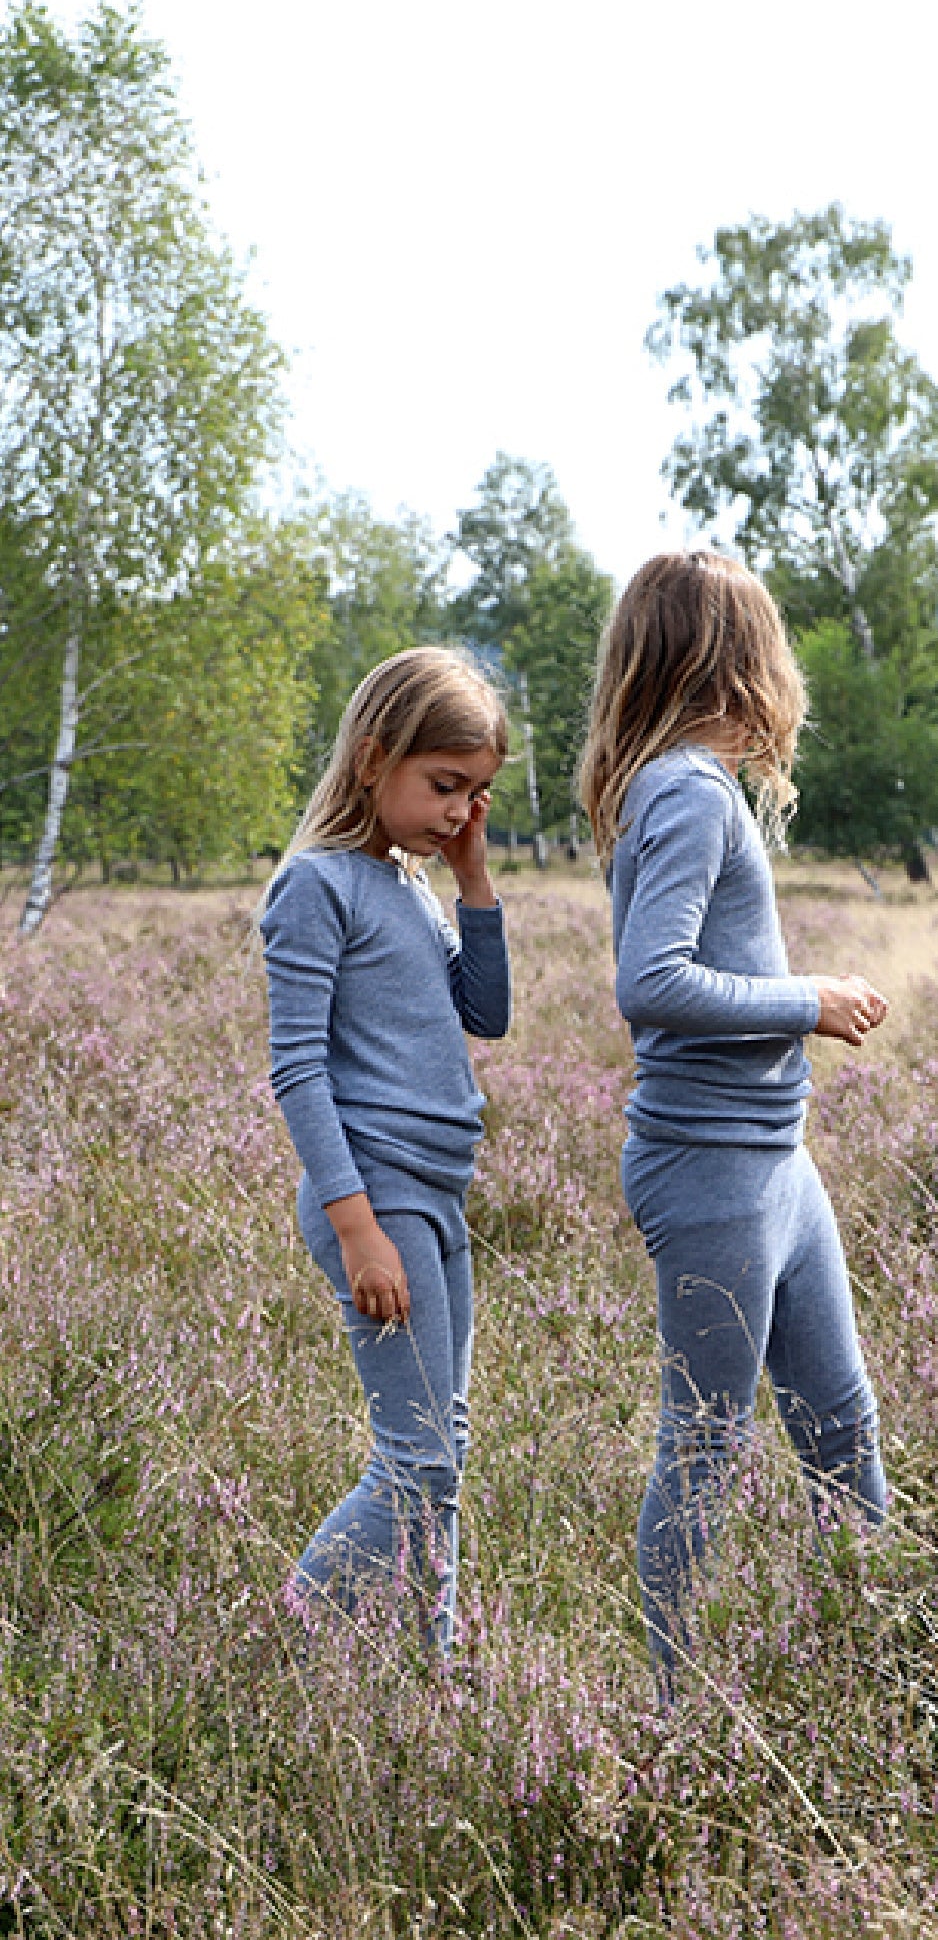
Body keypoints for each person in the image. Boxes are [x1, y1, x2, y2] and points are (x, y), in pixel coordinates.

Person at [578, 550, 889, 1693]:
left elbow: (698, 965)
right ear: (732, 658)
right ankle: (677, 1712)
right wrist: (810, 999)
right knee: (706, 1447)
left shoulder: (682, 786)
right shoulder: (686, 791)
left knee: (840, 1424)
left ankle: (867, 1668)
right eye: (769, 645)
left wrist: (797, 995)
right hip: (709, 1167)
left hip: (774, 1159)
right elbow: (649, 979)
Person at [260, 646, 510, 1652]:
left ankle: (430, 1675)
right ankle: (287, 1646)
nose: (458, 809)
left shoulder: (409, 885)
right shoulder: (315, 887)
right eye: (443, 783)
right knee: (416, 1460)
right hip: (377, 1197)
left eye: (476, 791)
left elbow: (484, 1013)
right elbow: (298, 1073)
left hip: (438, 1198)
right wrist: (355, 1226)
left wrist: (473, 878)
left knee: (442, 1453)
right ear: (373, 757)